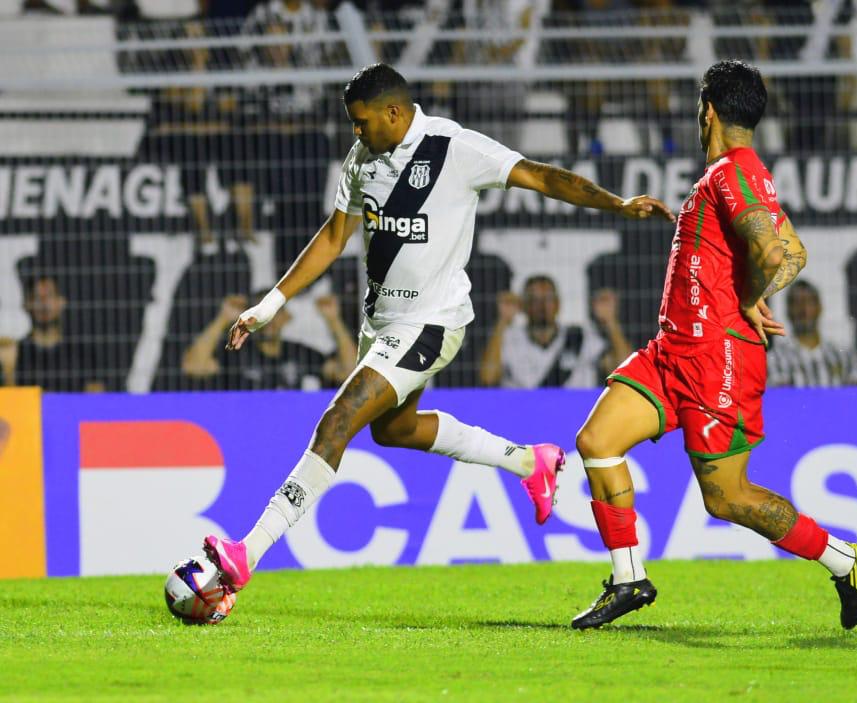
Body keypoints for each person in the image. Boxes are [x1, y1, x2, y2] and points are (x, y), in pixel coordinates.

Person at [202, 63, 673, 593]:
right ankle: (530, 462)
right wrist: (268, 305)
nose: (354, 133)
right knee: (393, 430)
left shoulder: (455, 148)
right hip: (379, 324)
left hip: (432, 324)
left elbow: (541, 176)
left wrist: (616, 203)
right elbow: (335, 238)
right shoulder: (364, 157)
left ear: (394, 113)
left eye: (361, 122)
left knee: (337, 423)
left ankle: (248, 552)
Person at [569, 60, 857, 631]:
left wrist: (746, 296)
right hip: (672, 350)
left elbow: (776, 256)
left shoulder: (734, 173)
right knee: (597, 440)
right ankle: (629, 579)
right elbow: (795, 252)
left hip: (718, 360)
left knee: (727, 499)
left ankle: (845, 559)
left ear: (706, 110)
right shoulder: (740, 173)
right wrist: (750, 292)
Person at [181, 290, 358, 390]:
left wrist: (333, 320)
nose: (267, 320)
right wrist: (223, 319)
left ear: (286, 318)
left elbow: (349, 371)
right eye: (260, 314)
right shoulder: (237, 355)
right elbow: (194, 366)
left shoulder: (301, 353)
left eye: (274, 313)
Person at [479, 277, 632, 388]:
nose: (542, 305)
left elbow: (627, 372)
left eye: (548, 298)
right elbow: (487, 377)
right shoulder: (510, 338)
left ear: (558, 304)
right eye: (534, 299)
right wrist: (502, 321)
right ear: (523, 306)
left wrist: (611, 321)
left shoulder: (581, 336)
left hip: (574, 420)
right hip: (524, 420)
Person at [2, 275, 106, 393]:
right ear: (27, 304)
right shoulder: (14, 353)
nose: (44, 303)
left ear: (61, 302)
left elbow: (96, 401)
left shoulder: (83, 353)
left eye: (49, 296)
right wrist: (9, 370)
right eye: (37, 297)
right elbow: (8, 405)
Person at [768, 280, 857, 387]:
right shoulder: (776, 358)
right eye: (797, 303)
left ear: (819, 307)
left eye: (809, 302)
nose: (804, 309)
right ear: (788, 311)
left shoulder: (843, 354)